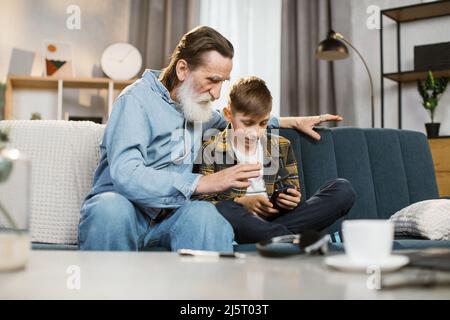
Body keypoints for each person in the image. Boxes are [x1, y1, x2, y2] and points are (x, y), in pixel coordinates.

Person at [78, 26, 343, 252]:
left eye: (223, 82)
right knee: (109, 208)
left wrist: (290, 122)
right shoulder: (135, 101)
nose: (216, 93)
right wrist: (203, 183)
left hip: (169, 217)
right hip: (126, 212)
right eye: (212, 80)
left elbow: (234, 120)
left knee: (206, 214)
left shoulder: (194, 105)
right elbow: (126, 173)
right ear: (182, 69)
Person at [196, 76, 356, 244]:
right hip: (239, 222)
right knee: (223, 209)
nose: (255, 132)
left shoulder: (280, 146)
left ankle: (278, 239)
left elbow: (292, 191)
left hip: (276, 221)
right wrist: (241, 203)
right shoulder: (211, 148)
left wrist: (288, 200)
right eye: (247, 123)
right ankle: (296, 240)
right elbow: (202, 205)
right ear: (229, 114)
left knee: (343, 189)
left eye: (263, 123)